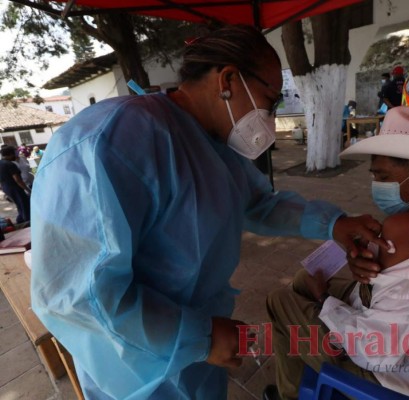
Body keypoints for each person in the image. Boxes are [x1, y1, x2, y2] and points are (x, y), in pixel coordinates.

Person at [30, 25, 388, 400]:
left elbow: (258, 203)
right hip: (134, 363)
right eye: (269, 99)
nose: (269, 116)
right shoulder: (117, 136)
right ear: (229, 79)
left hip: (200, 345)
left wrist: (333, 224)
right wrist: (198, 336)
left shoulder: (215, 144)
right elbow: (80, 293)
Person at [265, 107, 409, 400]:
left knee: (280, 300)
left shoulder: (403, 228)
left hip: (388, 378)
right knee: (302, 280)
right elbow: (405, 290)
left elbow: (371, 352)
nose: (377, 186)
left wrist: (324, 300)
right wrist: (361, 269)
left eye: (384, 176)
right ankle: (296, 385)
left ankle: (292, 395)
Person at [0, 146, 31, 224]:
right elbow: (18, 180)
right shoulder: (10, 164)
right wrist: (27, 189)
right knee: (24, 204)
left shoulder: (1, 163)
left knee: (19, 204)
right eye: (15, 153)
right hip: (15, 187)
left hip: (5, 187)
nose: (16, 155)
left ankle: (20, 220)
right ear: (10, 154)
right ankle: (27, 222)